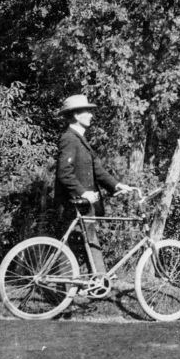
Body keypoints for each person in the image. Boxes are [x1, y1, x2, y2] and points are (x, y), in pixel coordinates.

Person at [55, 93, 134, 273]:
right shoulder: (69, 138)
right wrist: (83, 192)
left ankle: (98, 280)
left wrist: (116, 185)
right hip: (73, 203)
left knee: (90, 240)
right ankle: (66, 291)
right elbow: (64, 173)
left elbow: (97, 170)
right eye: (87, 111)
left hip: (84, 204)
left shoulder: (80, 140)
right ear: (76, 115)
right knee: (68, 247)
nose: (91, 115)